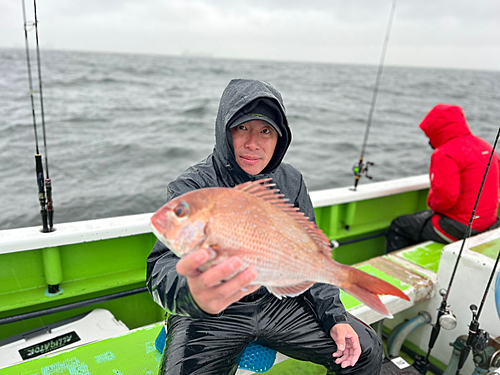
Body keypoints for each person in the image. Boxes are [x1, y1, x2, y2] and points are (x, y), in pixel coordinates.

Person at [146, 79, 383, 375]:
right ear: (225, 130)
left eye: (266, 131)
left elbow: (310, 258)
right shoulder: (194, 187)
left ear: (279, 139)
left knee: (365, 351)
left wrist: (335, 317)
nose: (253, 143)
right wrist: (192, 295)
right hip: (213, 312)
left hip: (276, 301)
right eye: (242, 127)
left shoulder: (291, 181)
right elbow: (162, 267)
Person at [386, 104, 500, 253]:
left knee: (400, 226)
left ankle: (395, 272)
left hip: (460, 229)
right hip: (489, 225)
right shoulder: (485, 146)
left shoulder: (445, 153)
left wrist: (431, 202)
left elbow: (445, 200)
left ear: (436, 132)